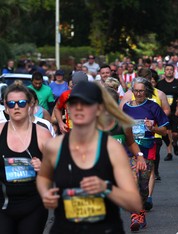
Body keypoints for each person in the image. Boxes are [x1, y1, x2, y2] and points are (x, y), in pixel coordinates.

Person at [36, 81, 142, 233]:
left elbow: (135, 203)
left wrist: (106, 188)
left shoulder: (112, 149)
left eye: (86, 103)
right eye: (73, 103)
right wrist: (45, 192)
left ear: (99, 109)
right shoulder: (55, 147)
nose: (78, 108)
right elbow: (43, 177)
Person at [0, 81, 53, 234]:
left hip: (34, 206)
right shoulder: (0, 130)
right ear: (6, 106)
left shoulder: (43, 134)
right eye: (11, 103)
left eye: (22, 103)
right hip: (3, 205)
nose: (16, 107)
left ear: (30, 105)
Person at [122, 77, 169, 231]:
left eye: (141, 90)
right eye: (135, 90)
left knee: (143, 184)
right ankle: (135, 214)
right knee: (133, 180)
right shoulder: (126, 108)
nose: (138, 93)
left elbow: (165, 130)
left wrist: (153, 128)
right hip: (129, 150)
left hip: (148, 148)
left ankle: (141, 210)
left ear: (147, 91)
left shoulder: (153, 107)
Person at [156, 64, 178, 160]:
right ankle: (169, 153)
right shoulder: (159, 84)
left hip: (175, 111)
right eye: (167, 69)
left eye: (171, 70)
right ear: (164, 71)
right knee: (167, 131)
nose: (169, 71)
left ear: (174, 71)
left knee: (175, 133)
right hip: (164, 111)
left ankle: (175, 142)